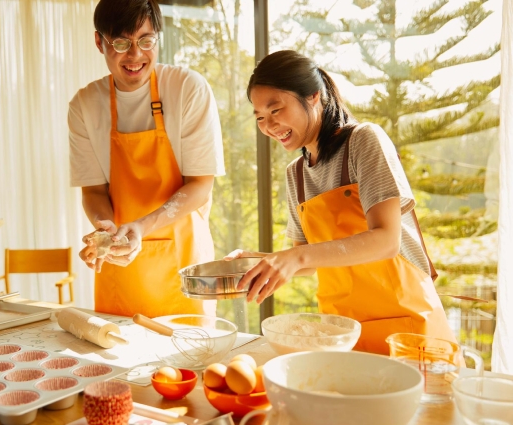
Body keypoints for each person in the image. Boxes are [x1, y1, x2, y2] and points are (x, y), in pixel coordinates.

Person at [226, 50, 456, 354]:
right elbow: (304, 259)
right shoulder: (296, 174)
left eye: (276, 110)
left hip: (408, 333)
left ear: (312, 96)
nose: (269, 125)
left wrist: (294, 259)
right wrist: (262, 262)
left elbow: (387, 240)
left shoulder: (364, 140)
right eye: (259, 117)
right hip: (342, 335)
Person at [68, 0, 224, 318]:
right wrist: (105, 232)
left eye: (146, 40)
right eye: (121, 43)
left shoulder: (187, 89)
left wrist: (142, 226)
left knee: (187, 365)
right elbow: (94, 192)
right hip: (121, 266)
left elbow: (200, 186)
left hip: (185, 268)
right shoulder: (84, 105)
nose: (136, 55)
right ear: (99, 42)